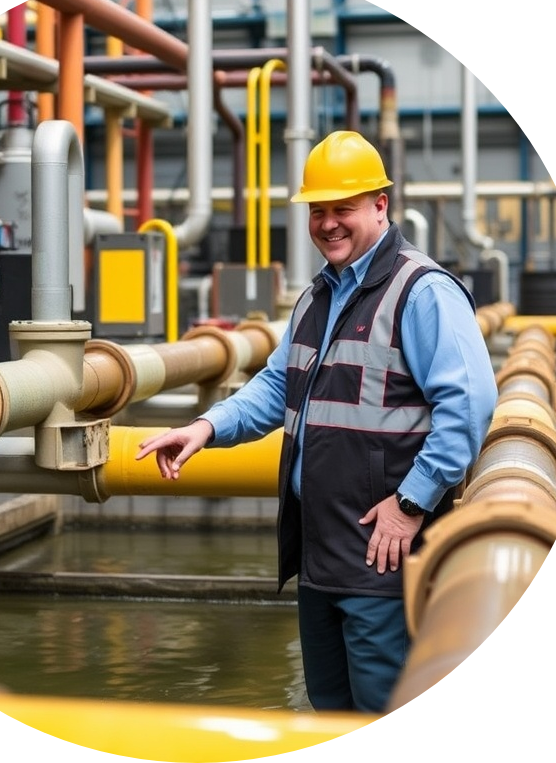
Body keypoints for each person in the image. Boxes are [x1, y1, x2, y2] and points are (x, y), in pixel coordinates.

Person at [135, 130, 498, 713]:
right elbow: (280, 384)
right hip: (320, 554)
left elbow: (471, 404)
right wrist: (206, 427)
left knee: (382, 701)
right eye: (318, 210)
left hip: (383, 559)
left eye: (343, 209)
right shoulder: (316, 297)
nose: (328, 223)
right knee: (327, 712)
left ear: (381, 204)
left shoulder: (422, 291)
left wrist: (410, 506)